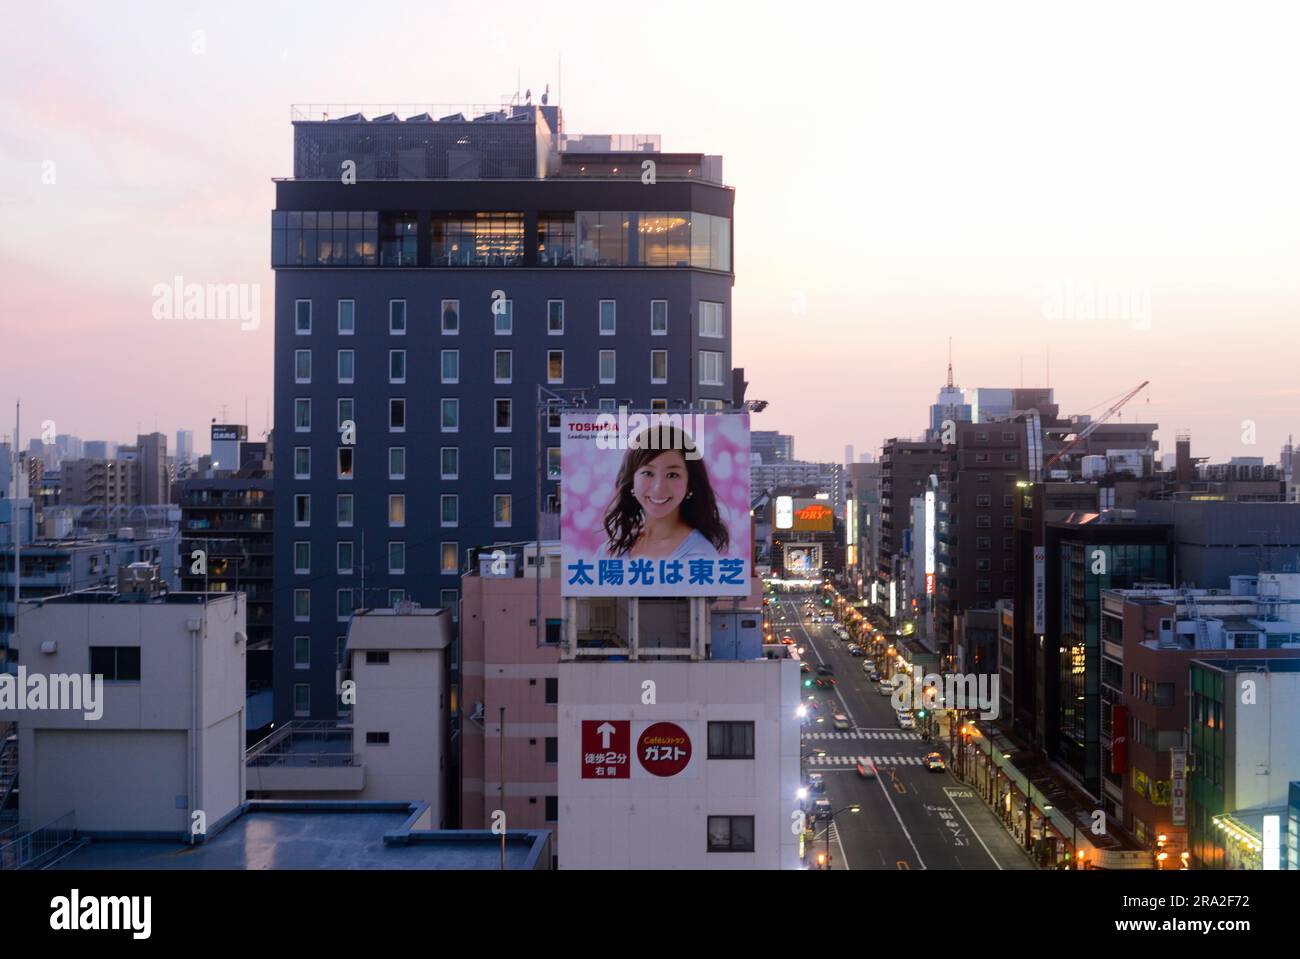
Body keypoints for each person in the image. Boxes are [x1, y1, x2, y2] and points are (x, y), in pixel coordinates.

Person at [601, 423, 728, 561]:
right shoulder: (614, 547)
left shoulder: (700, 556)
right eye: (648, 473)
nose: (658, 488)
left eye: (672, 475)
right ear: (632, 480)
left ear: (689, 484)